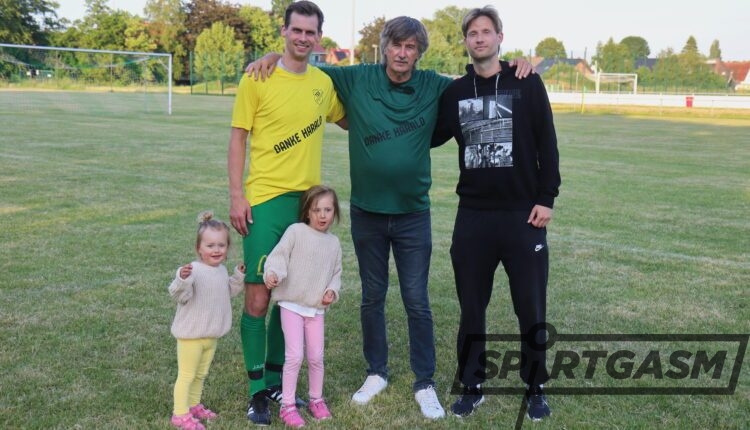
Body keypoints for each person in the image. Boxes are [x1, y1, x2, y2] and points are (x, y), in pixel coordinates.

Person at [246, 15, 534, 420]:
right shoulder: (357, 78)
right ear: (385, 47)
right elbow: (302, 61)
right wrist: (272, 55)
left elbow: (477, 79)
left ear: (419, 53)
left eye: (410, 47)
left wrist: (514, 64)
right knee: (372, 297)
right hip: (367, 212)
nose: (402, 53)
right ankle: (376, 372)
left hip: (413, 214)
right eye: (396, 45)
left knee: (417, 299)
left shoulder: (434, 85)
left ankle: (424, 380)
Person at [432, 6, 561, 421]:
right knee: (472, 307)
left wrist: (546, 197)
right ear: (466, 41)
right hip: (473, 216)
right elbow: (429, 135)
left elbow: (547, 142)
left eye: (486, 32)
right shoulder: (455, 93)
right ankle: (472, 385)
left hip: (523, 215)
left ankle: (536, 386)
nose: (480, 38)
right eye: (473, 33)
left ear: (499, 38)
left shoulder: (527, 81)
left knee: (531, 307)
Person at [227, 1, 346, 426]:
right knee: (259, 296)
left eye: (310, 32)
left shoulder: (323, 83)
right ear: (284, 31)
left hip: (305, 204)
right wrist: (237, 195)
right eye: (296, 30)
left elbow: (350, 119)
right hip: (264, 200)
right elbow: (238, 138)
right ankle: (257, 390)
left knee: (292, 295)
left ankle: (279, 380)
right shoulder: (257, 78)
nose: (303, 38)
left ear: (319, 37)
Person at [263, 185, 342, 428]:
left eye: (328, 210)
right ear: (307, 211)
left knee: (316, 356)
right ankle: (287, 406)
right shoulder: (296, 232)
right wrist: (273, 273)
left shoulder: (333, 243)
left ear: (335, 212)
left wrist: (332, 290)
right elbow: (278, 257)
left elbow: (336, 274)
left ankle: (316, 399)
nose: (322, 215)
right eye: (316, 210)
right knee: (295, 355)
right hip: (292, 305)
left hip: (316, 309)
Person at [168, 211, 245, 430]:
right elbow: (178, 294)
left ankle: (193, 405)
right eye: (210, 245)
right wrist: (182, 279)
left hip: (211, 335)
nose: (216, 250)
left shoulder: (220, 271)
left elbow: (227, 292)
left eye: (221, 245)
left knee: (201, 374)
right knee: (187, 375)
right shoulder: (193, 271)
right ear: (199, 248)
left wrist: (238, 277)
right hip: (191, 336)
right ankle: (180, 414)